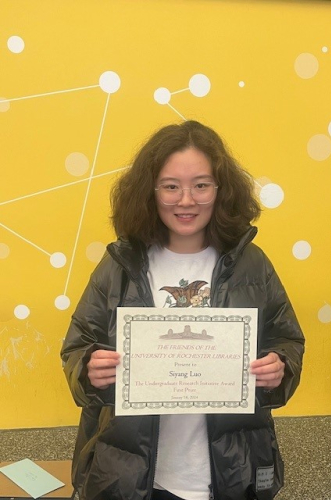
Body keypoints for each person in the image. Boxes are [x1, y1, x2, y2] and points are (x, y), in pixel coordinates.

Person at [61, 120, 304, 500]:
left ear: (221, 191)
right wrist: (90, 369)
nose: (186, 200)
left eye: (201, 185)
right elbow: (76, 348)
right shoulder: (120, 265)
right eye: (171, 186)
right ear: (150, 191)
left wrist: (280, 367)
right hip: (132, 477)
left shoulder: (252, 265)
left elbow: (286, 340)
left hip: (231, 471)